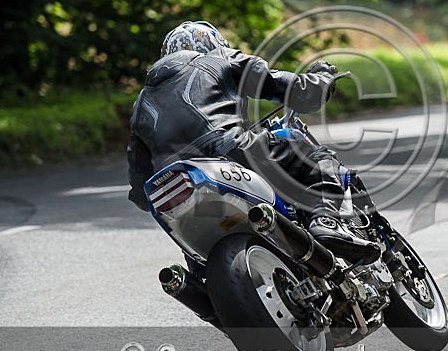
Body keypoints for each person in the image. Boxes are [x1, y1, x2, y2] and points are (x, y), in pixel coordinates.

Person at [126, 20, 380, 264]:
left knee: (195, 252)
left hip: (175, 182)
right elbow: (300, 93)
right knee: (312, 156)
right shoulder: (220, 59)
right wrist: (321, 79)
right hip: (230, 150)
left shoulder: (141, 102)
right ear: (214, 44)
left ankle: (198, 288)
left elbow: (140, 189)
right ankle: (326, 221)